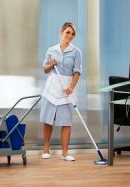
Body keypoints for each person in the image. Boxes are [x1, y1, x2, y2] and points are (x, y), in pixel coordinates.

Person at [40, 22, 82, 161]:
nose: (69, 36)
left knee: (66, 122)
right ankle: (46, 149)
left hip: (67, 88)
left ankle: (65, 153)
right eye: (67, 32)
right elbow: (45, 70)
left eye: (72, 34)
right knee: (48, 119)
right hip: (52, 87)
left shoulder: (76, 52)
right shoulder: (51, 50)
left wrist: (71, 87)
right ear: (62, 32)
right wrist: (50, 65)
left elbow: (77, 72)